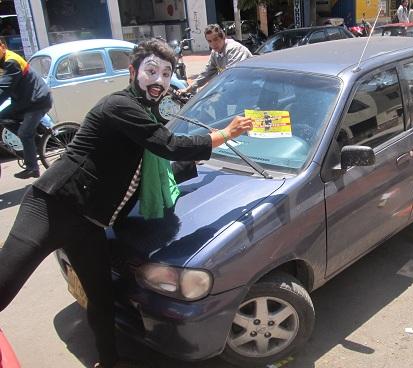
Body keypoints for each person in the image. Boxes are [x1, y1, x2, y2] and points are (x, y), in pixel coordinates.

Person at [0, 39, 253, 368]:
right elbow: (169, 145)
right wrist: (224, 134)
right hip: (51, 206)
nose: (159, 80)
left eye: (166, 73)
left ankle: (109, 361)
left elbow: (158, 153)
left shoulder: (146, 110)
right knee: (4, 286)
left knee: (101, 299)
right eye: (151, 71)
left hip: (88, 224)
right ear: (133, 72)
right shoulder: (120, 105)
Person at [0, 39, 52, 179]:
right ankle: (33, 138)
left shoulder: (11, 62)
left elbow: (4, 88)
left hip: (37, 101)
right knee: (3, 117)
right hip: (24, 102)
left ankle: (32, 168)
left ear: (3, 46)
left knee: (24, 133)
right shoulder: (3, 60)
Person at [182, 24, 251, 94]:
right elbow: (207, 73)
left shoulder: (234, 49)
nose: (213, 44)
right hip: (236, 88)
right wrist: (189, 89)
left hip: (251, 88)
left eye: (216, 39)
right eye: (209, 41)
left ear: (223, 37)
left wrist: (212, 89)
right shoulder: (215, 52)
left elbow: (230, 74)